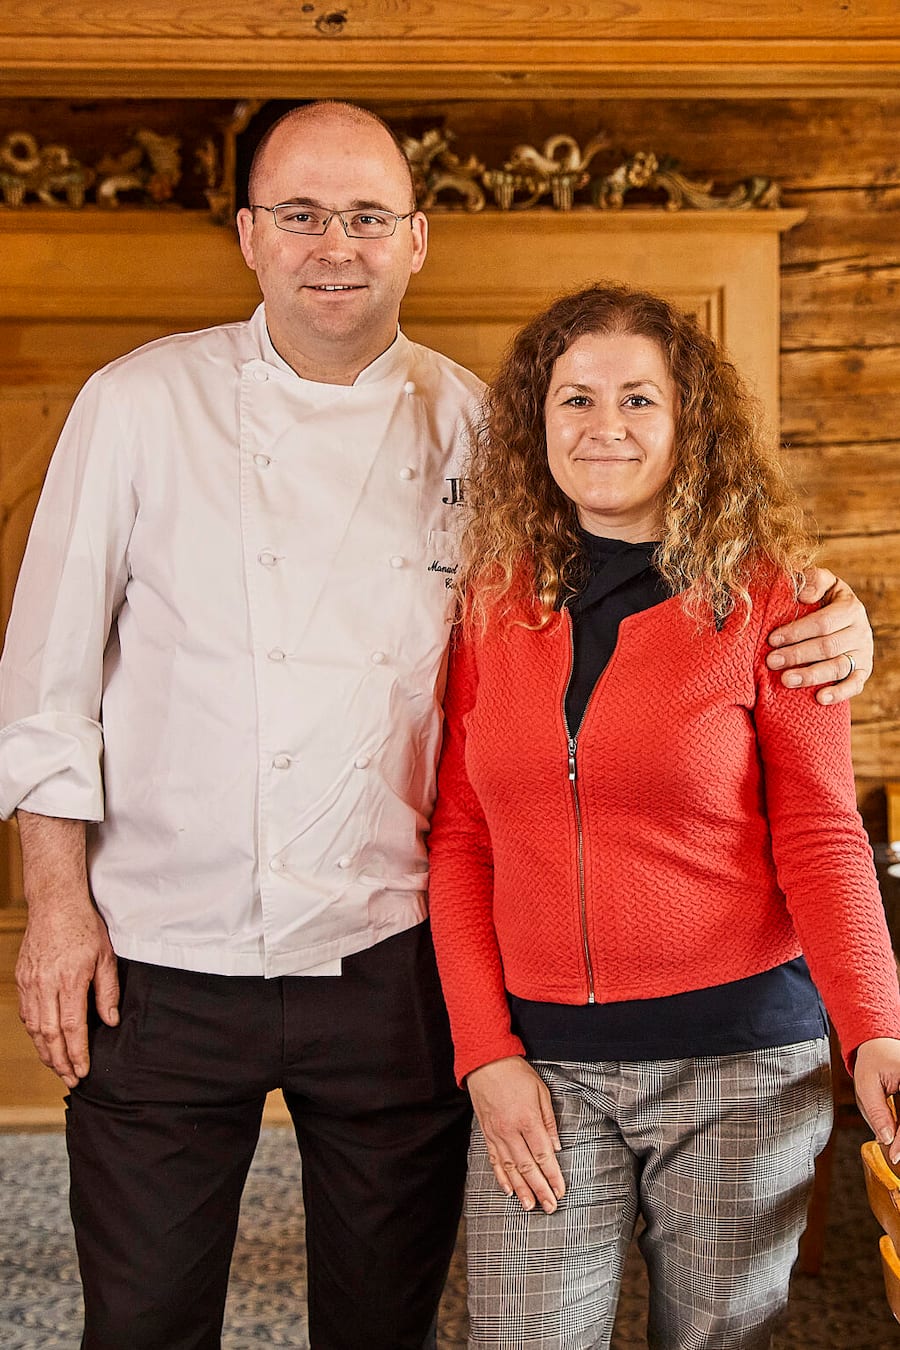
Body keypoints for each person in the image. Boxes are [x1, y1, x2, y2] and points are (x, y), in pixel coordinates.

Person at [0, 103, 874, 1350]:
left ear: (419, 239)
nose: (333, 245)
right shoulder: (135, 406)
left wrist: (840, 623)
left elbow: (660, 575)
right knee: (139, 1320)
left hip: (391, 960)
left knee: (383, 1318)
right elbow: (42, 684)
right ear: (249, 235)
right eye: (299, 214)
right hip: (161, 954)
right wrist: (60, 908)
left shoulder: (486, 429)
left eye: (367, 215)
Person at [426, 282, 900, 1350]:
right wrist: (483, 1053)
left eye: (640, 399)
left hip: (741, 1061)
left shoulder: (777, 601)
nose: (605, 427)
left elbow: (824, 835)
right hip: (542, 1069)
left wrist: (875, 1024)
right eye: (576, 399)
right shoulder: (492, 605)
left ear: (690, 422)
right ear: (536, 425)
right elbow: (460, 839)